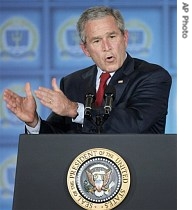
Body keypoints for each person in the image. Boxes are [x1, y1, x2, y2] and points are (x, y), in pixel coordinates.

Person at [3, 6, 172, 134]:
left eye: (112, 37)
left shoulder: (153, 76)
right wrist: (33, 122)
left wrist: (75, 110)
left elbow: (134, 123)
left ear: (125, 38)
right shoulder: (72, 83)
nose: (107, 47)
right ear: (85, 49)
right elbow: (56, 137)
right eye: (97, 41)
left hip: (137, 174)